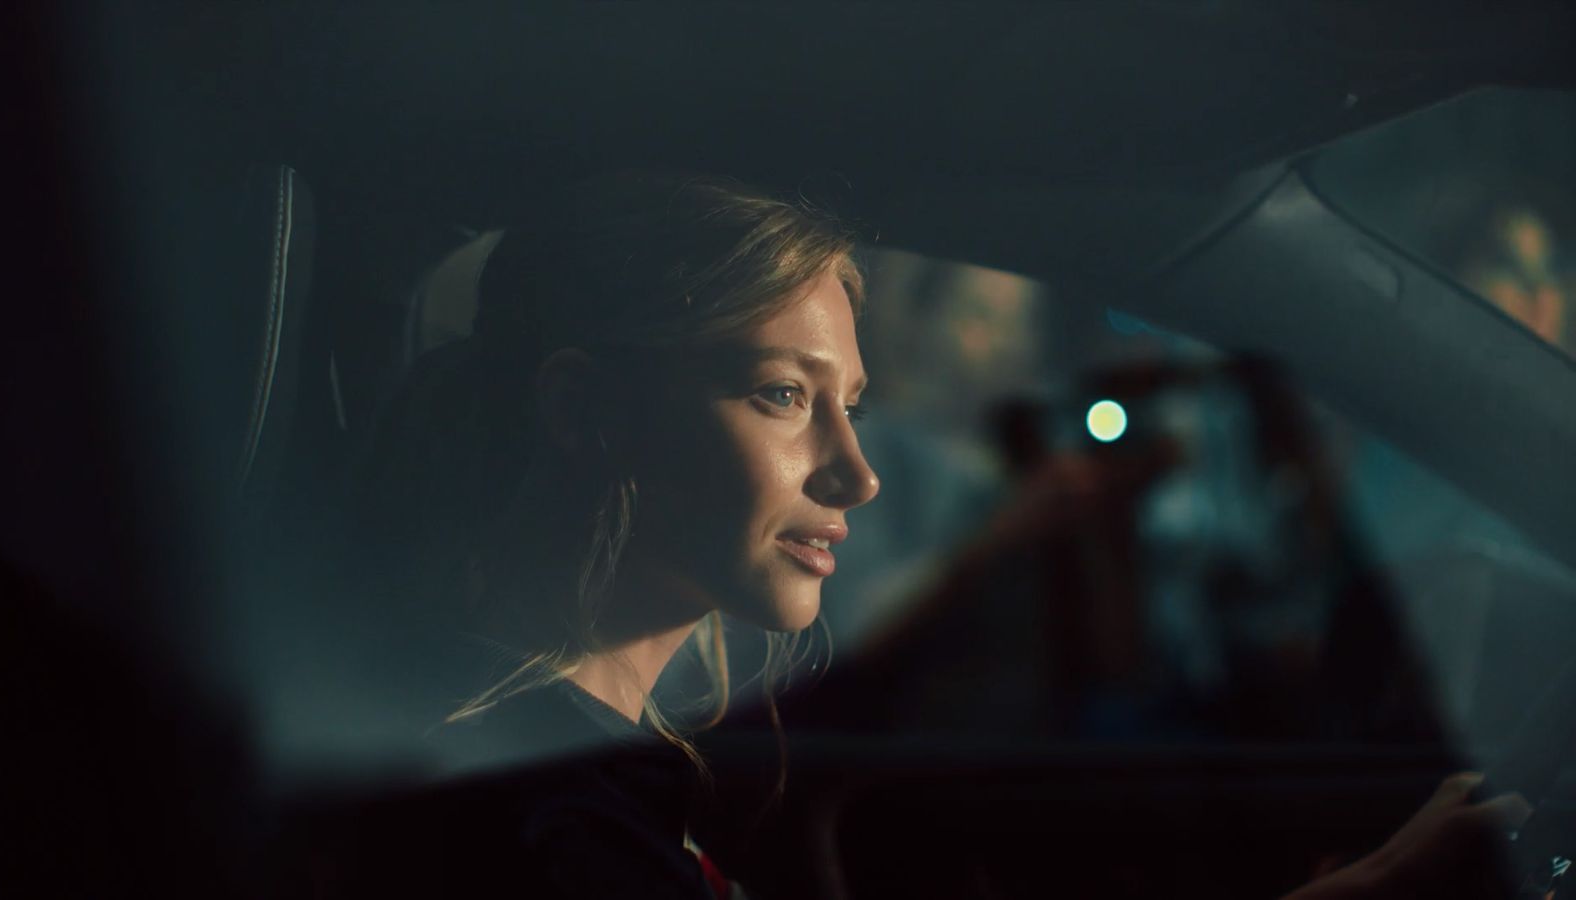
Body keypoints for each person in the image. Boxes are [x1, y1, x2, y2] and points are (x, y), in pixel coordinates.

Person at [324, 174, 1531, 899]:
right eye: (783, 396)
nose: (853, 473)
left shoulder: (571, 768)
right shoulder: (545, 839)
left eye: (848, 404)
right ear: (586, 410)